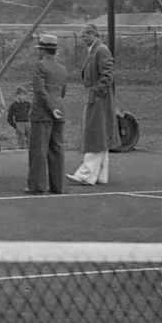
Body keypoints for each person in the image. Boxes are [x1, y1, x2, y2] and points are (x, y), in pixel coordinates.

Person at [68, 24, 119, 186]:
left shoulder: (101, 50)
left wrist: (97, 91)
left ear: (92, 34)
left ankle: (85, 173)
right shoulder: (95, 50)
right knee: (100, 134)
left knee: (94, 134)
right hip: (95, 96)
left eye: (84, 36)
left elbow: (108, 72)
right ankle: (100, 175)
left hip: (98, 98)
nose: (83, 39)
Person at [25, 34, 66, 195]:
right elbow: (62, 91)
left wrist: (50, 108)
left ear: (43, 50)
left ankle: (38, 185)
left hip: (42, 113)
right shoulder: (62, 69)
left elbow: (40, 91)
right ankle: (58, 186)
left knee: (39, 149)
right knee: (57, 149)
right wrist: (56, 108)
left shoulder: (39, 66)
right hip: (60, 111)